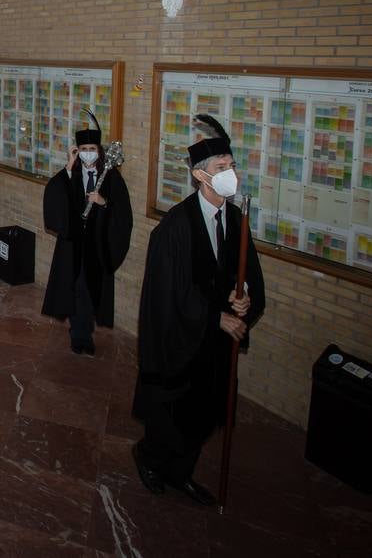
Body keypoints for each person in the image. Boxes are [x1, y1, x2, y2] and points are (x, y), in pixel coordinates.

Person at [133, 114, 266, 508]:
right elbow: (169, 291)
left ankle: (182, 472)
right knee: (175, 416)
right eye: (222, 168)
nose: (231, 174)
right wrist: (213, 317)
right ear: (200, 176)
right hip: (182, 341)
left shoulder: (236, 218)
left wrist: (245, 300)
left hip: (215, 346)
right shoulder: (175, 228)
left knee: (207, 414)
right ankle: (151, 459)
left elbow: (248, 275)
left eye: (233, 166)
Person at [41, 111, 132, 355]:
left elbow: (123, 213)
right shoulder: (71, 174)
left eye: (92, 148)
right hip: (74, 245)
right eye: (83, 148)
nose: (88, 152)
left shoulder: (110, 177)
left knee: (91, 290)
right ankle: (78, 333)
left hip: (98, 246)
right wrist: (69, 169)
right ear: (77, 150)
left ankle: (85, 333)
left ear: (99, 150)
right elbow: (55, 198)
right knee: (75, 288)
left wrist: (104, 203)